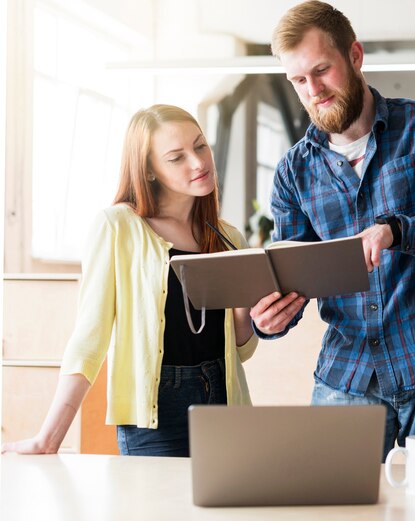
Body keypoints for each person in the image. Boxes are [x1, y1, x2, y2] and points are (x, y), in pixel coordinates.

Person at [250, 0, 415, 464]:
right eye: (298, 80)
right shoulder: (293, 172)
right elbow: (296, 272)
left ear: (355, 56)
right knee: (336, 507)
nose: (313, 90)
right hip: (350, 370)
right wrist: (273, 318)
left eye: (322, 71)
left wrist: (397, 231)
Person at [2, 104, 258, 457]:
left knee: (225, 514)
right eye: (176, 157)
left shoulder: (228, 236)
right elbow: (89, 340)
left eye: (200, 146)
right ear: (149, 171)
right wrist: (48, 439)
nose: (198, 162)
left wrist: (250, 306)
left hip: (225, 401)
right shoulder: (117, 227)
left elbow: (240, 348)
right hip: (155, 411)